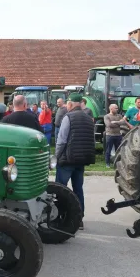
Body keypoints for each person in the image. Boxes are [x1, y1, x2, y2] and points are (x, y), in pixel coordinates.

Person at [55, 92, 95, 230]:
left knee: (60, 190)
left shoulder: (68, 117)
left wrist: (57, 156)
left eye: (67, 104)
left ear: (70, 104)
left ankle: (61, 217)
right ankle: (79, 220)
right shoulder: (89, 118)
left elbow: (61, 140)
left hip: (67, 160)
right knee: (78, 189)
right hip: (81, 160)